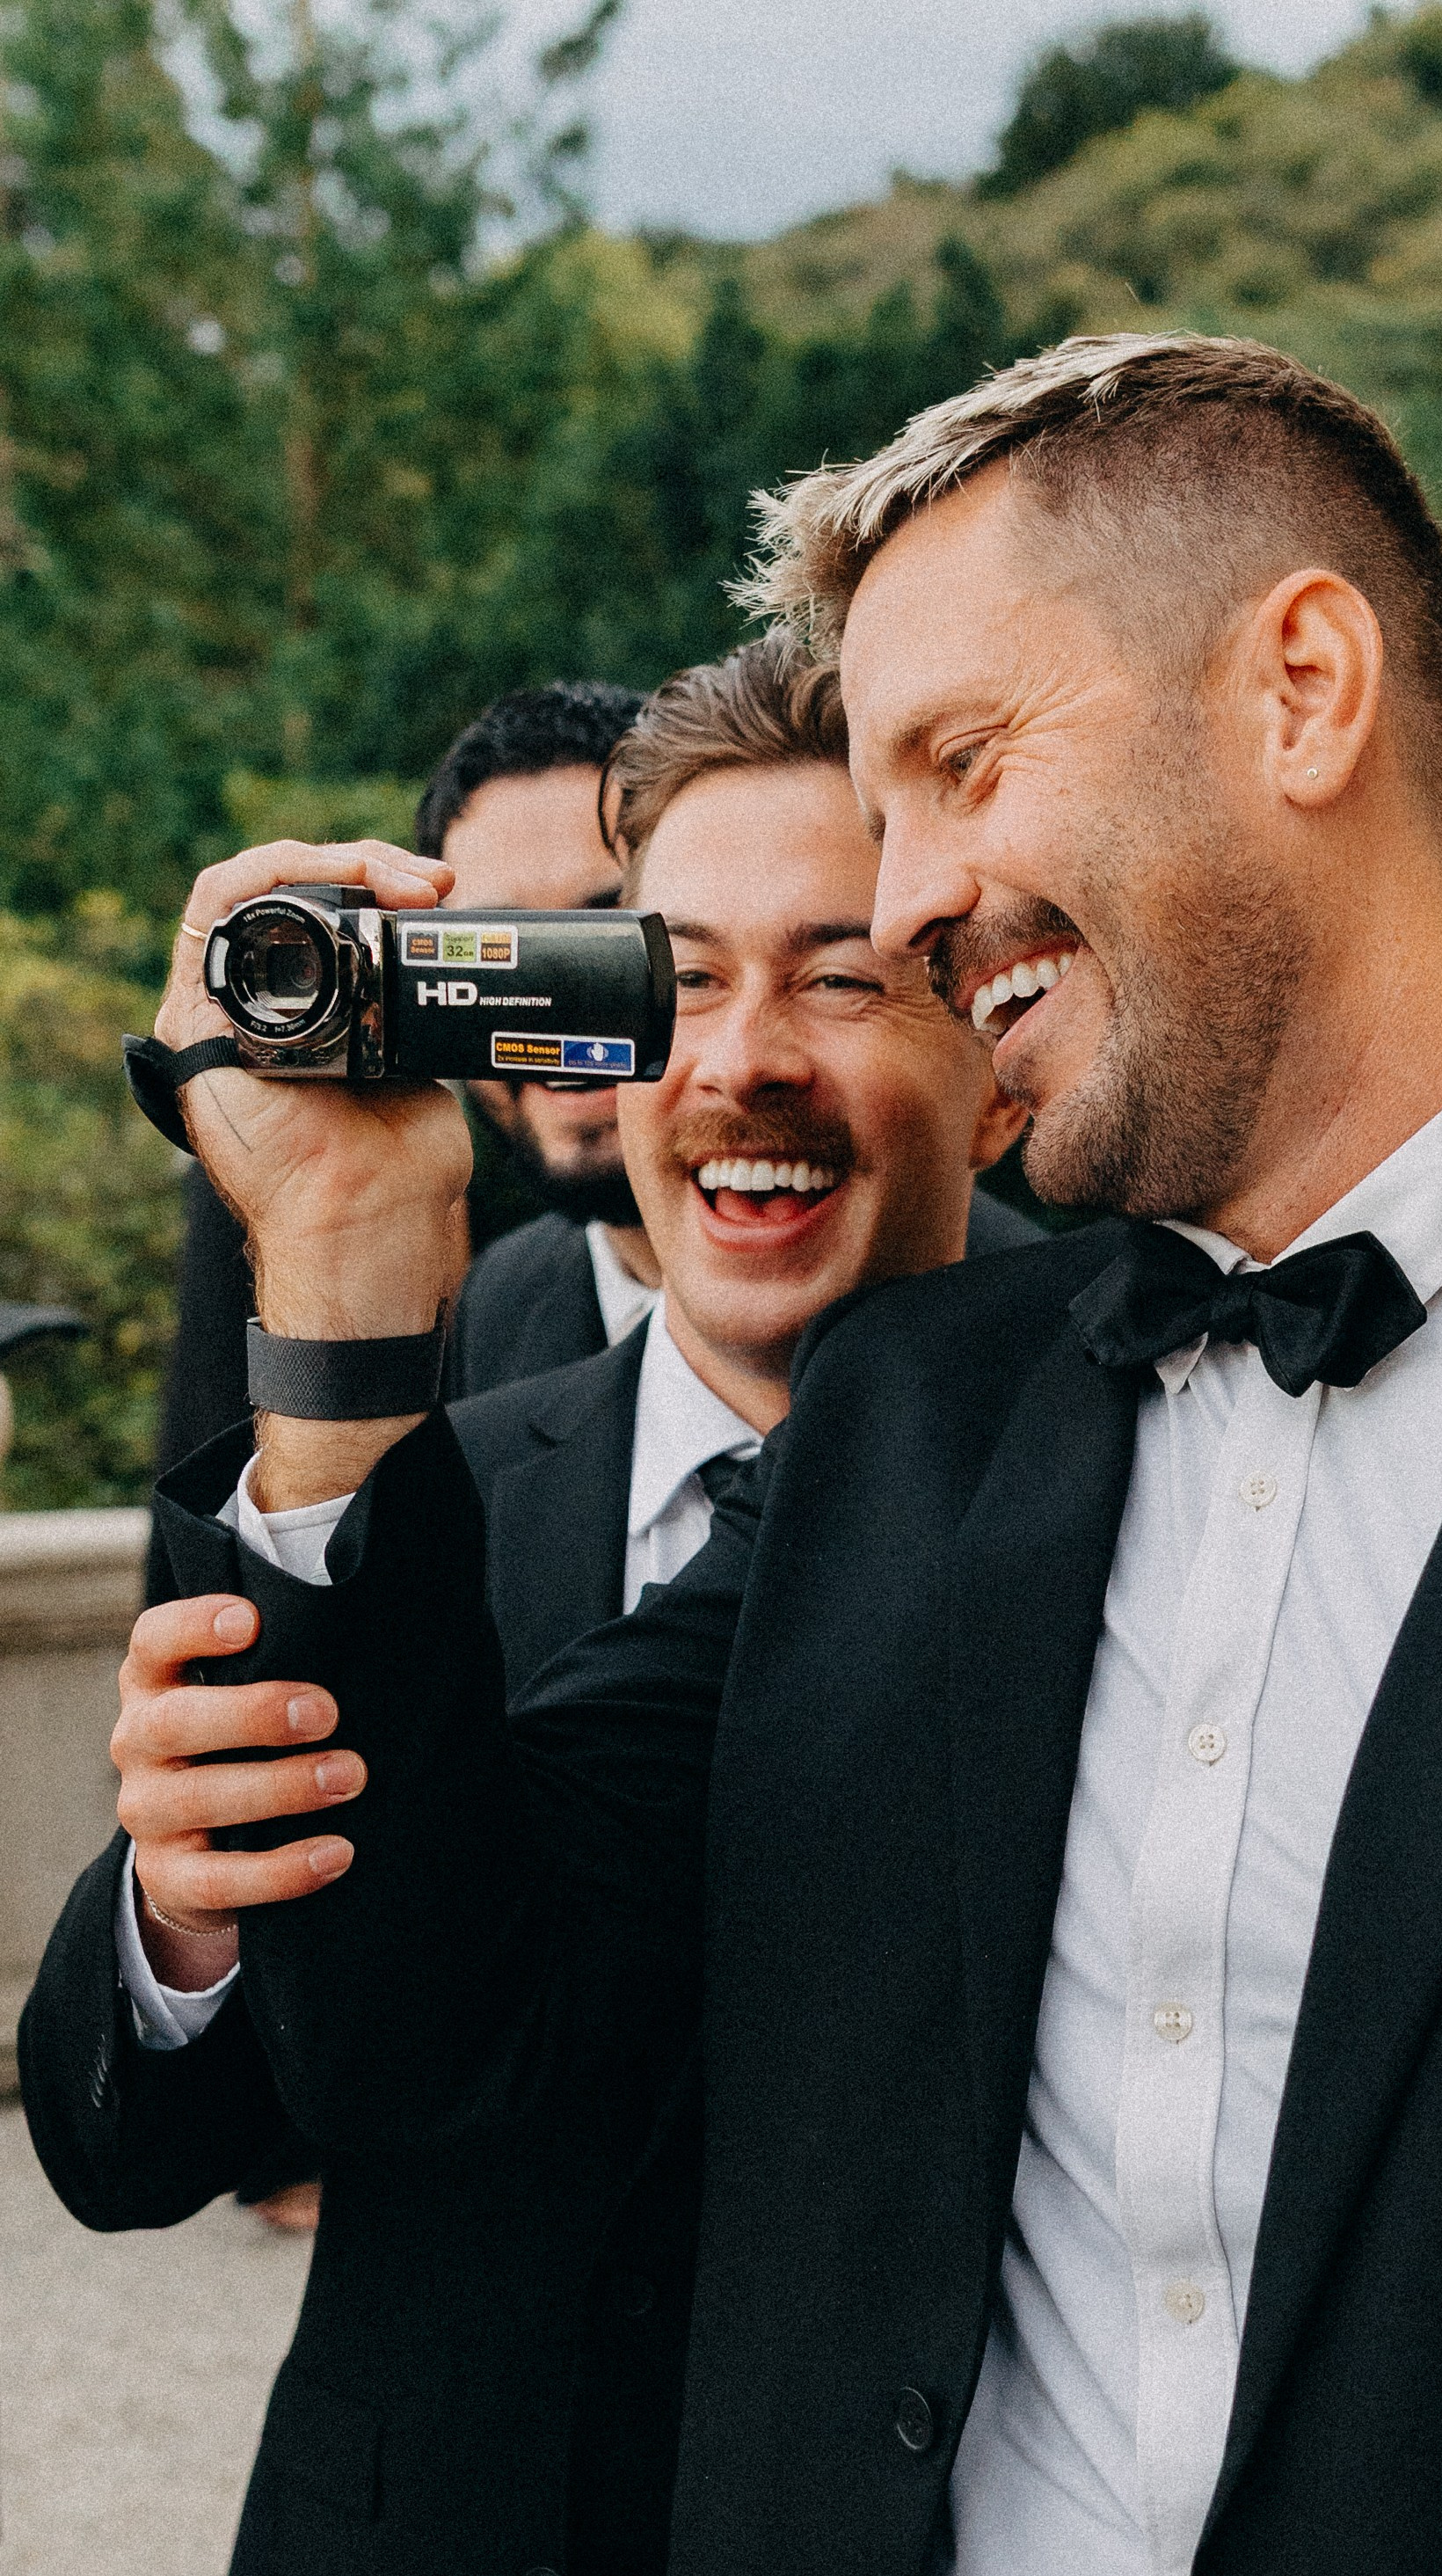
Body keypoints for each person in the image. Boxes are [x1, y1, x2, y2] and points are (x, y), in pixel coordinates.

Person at [54, 332, 1442, 2575]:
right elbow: (453, 2013)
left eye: (957, 764)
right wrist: (348, 1260)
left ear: (1301, 687)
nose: (921, 899)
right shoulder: (923, 1424)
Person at [20, 639, 1027, 2576]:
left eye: (839, 974)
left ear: (994, 1060)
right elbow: (125, 2142)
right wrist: (176, 1912)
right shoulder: (403, 1455)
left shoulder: (1120, 1440)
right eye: (674, 981)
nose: (741, 1060)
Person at [154, 677, 648, 1469]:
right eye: (497, 955)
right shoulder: (506, 1304)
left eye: (597, 947)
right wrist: (307, 1218)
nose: (553, 1013)